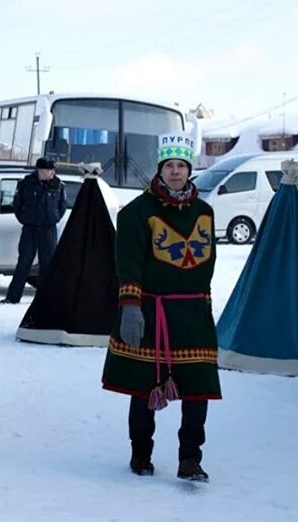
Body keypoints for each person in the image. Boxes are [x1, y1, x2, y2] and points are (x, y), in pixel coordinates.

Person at [101, 132, 220, 483]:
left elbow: (207, 263)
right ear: (160, 169)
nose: (175, 172)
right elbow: (129, 261)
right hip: (151, 311)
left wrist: (203, 301)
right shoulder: (138, 212)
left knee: (198, 391)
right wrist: (130, 304)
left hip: (193, 313)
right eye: (169, 166)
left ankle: (190, 460)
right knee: (143, 389)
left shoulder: (205, 212)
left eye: (181, 166)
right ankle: (141, 454)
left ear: (189, 169)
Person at [2, 156, 67, 303]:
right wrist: (24, 218)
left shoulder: (58, 185)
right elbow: (17, 204)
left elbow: (62, 206)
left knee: (47, 264)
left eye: (52, 170)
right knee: (24, 263)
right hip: (30, 228)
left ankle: (45, 298)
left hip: (48, 229)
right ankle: (13, 297)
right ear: (40, 170)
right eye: (48, 170)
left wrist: (54, 217)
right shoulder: (26, 184)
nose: (52, 173)